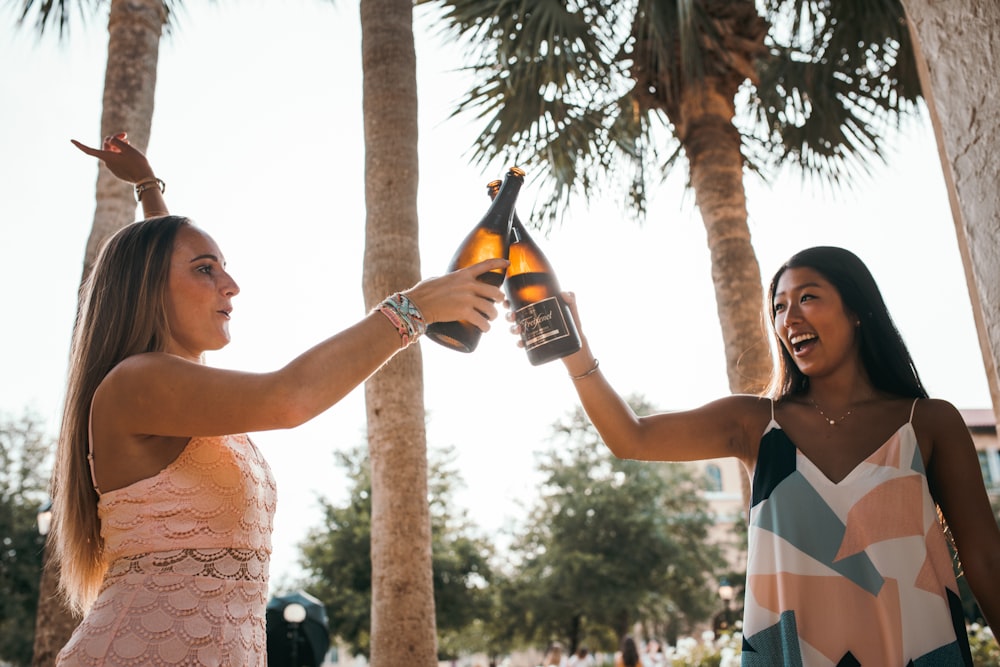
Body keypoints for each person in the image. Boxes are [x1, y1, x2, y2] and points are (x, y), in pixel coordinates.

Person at [52, 133, 509, 666]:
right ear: (147, 288)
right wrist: (413, 308)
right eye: (208, 269)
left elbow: (164, 270)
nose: (232, 284)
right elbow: (291, 398)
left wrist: (150, 189)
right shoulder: (136, 383)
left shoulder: (173, 391)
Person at [550, 246, 999, 665]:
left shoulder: (929, 422)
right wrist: (573, 350)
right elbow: (632, 438)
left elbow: (986, 560)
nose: (790, 318)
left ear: (858, 311)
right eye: (780, 307)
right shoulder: (754, 424)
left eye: (807, 298)